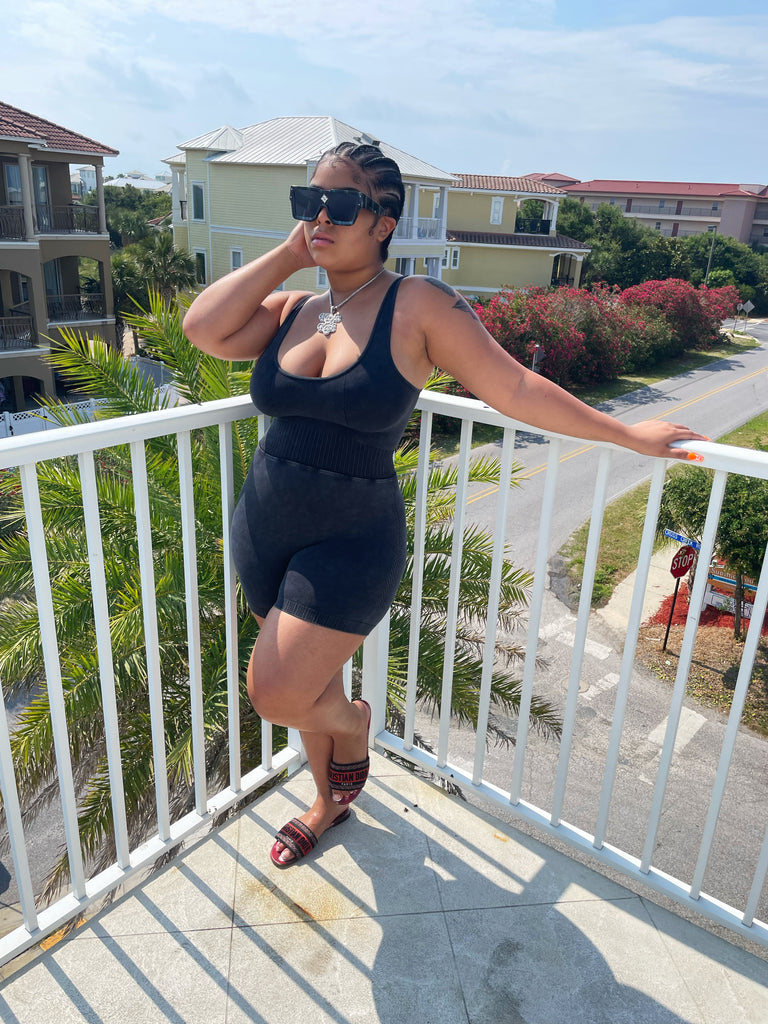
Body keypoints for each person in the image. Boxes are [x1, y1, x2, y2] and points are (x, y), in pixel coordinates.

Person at [183, 141, 706, 866]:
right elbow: (203, 330)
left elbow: (514, 387)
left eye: (340, 205)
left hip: (351, 540)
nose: (320, 218)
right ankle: (327, 802)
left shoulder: (418, 304)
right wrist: (290, 253)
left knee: (277, 691)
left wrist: (625, 434)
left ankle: (354, 726)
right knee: (307, 681)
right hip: (264, 529)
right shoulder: (296, 308)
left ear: (384, 223)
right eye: (309, 203)